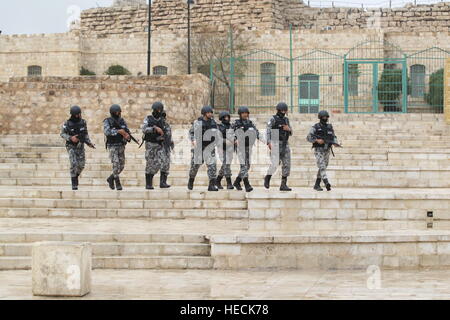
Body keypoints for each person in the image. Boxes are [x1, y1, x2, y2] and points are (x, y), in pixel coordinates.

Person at [60, 105, 95, 190]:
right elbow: (62, 134)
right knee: (73, 163)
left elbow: (85, 134)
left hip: (80, 145)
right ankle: (74, 183)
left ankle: (75, 176)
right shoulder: (67, 123)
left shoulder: (83, 122)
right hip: (71, 146)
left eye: (79, 113)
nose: (79, 115)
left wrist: (89, 143)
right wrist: (70, 138)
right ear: (73, 114)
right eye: (77, 114)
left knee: (81, 165)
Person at [141, 102, 173, 190]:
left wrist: (170, 141)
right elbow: (144, 129)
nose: (157, 111)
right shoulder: (148, 119)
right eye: (156, 110)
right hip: (151, 144)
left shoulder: (163, 120)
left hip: (161, 144)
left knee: (164, 162)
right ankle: (148, 183)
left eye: (159, 110)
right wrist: (154, 129)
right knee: (150, 163)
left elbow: (168, 130)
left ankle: (163, 182)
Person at [306, 110, 341, 191]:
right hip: (319, 150)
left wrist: (335, 143)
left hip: (327, 150)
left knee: (323, 167)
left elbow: (333, 136)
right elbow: (308, 137)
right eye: (323, 117)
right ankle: (326, 182)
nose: (325, 118)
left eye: (326, 117)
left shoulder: (329, 127)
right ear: (320, 118)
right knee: (321, 166)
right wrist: (317, 140)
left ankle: (317, 184)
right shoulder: (315, 127)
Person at [188, 106, 219, 191]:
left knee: (212, 166)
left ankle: (211, 185)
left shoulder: (213, 122)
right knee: (195, 166)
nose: (210, 114)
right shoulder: (197, 122)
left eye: (211, 112)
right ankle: (191, 180)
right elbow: (191, 132)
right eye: (209, 112)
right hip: (199, 148)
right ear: (204, 113)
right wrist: (193, 140)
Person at [264, 102, 292, 191]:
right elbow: (268, 130)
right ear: (278, 110)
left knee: (287, 164)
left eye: (285, 110)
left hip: (285, 143)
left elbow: (291, 132)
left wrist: (289, 129)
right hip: (275, 141)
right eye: (282, 110)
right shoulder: (273, 119)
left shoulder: (286, 120)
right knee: (275, 163)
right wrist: (268, 142)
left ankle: (283, 184)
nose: (283, 112)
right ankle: (268, 177)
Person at [232, 106, 260, 192]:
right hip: (240, 147)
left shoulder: (250, 123)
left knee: (247, 166)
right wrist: (234, 139)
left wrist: (266, 141)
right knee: (243, 165)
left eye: (246, 113)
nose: (245, 114)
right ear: (240, 114)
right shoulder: (236, 123)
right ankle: (247, 184)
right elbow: (229, 133)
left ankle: (237, 182)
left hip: (248, 146)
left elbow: (257, 132)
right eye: (243, 113)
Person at [103, 104, 131, 191]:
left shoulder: (122, 121)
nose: (118, 113)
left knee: (121, 166)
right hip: (112, 146)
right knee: (115, 163)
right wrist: (118, 131)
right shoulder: (107, 121)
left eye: (119, 112)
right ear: (113, 113)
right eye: (117, 112)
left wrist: (127, 136)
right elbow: (107, 132)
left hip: (121, 145)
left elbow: (127, 131)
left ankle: (111, 178)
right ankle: (117, 182)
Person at [216, 111, 234, 190]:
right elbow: (218, 138)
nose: (227, 119)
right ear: (222, 118)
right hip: (221, 148)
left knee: (226, 165)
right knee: (226, 164)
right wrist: (225, 141)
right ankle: (229, 183)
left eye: (228, 117)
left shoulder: (231, 126)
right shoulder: (219, 127)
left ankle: (218, 180)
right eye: (226, 117)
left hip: (230, 148)